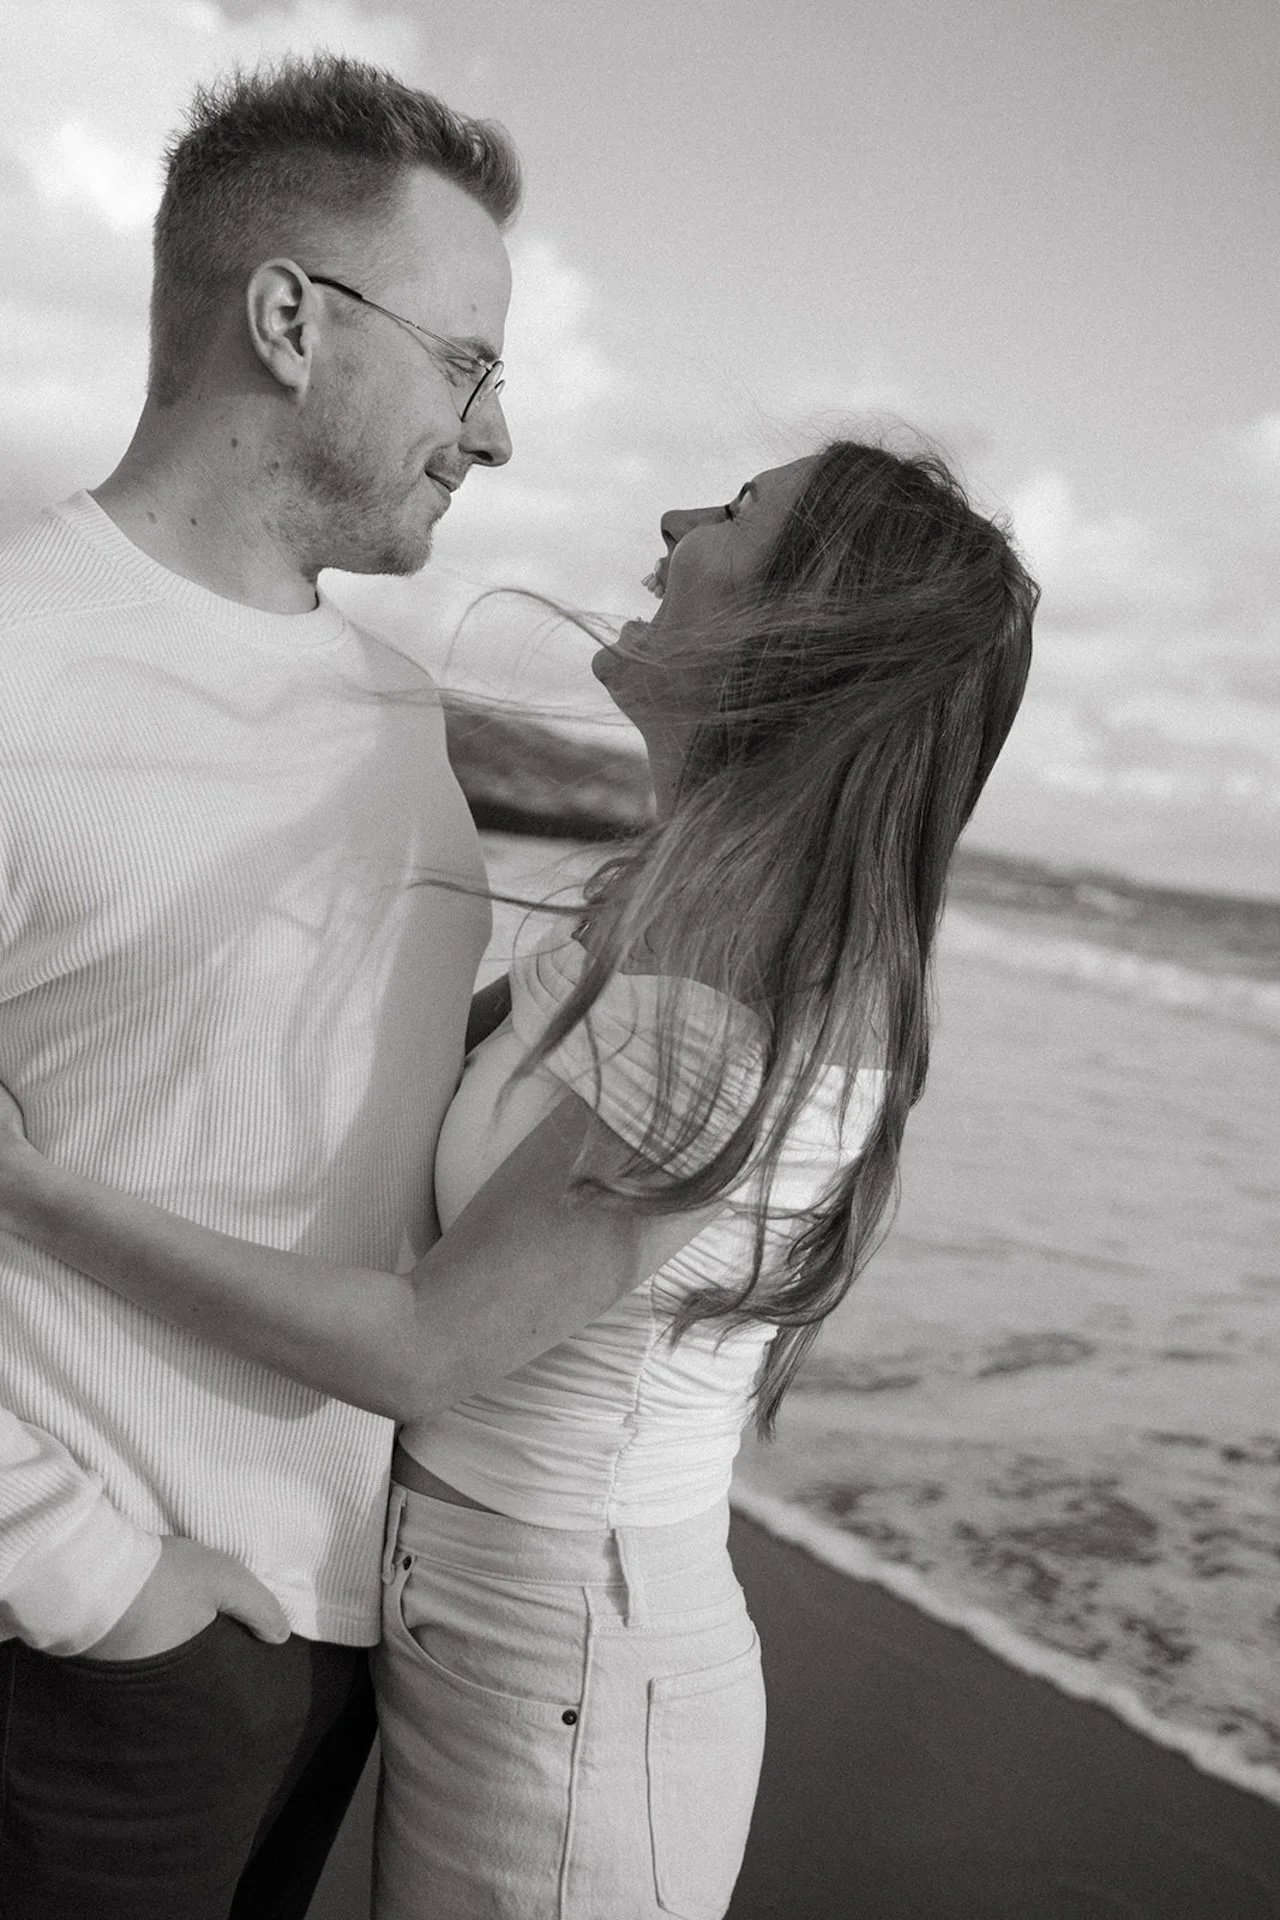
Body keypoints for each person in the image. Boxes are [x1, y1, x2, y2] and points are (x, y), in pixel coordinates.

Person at [0, 436, 1037, 1917]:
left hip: (572, 1673)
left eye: (738, 512)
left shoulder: (733, 1010)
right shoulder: (663, 922)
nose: (680, 515)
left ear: (809, 633)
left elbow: (427, 1347)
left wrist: (33, 1192)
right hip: (487, 1627)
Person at [0, 53, 518, 1920]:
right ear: (294, 319)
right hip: (91, 1653)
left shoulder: (390, 699)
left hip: (342, 1633)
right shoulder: (18, 670)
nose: (498, 431)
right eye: (469, 363)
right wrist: (85, 1581)